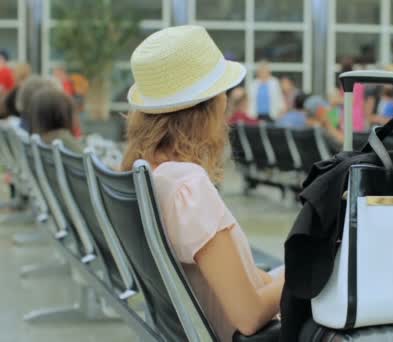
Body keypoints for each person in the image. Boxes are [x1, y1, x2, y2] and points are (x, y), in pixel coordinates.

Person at [121, 26, 283, 340]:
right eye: (223, 91)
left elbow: (229, 276)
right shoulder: (188, 188)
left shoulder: (154, 175)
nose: (227, 100)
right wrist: (311, 271)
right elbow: (249, 317)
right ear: (206, 107)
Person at [30, 88, 82, 153]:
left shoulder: (42, 139)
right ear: (64, 115)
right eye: (74, 112)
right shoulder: (63, 138)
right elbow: (88, 160)